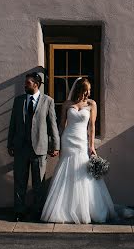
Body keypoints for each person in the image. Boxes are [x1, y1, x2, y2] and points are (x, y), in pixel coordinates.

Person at [41, 77, 121, 224]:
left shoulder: (91, 104)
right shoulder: (67, 104)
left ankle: (84, 210)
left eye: (89, 90)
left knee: (82, 174)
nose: (88, 93)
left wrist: (91, 146)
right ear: (79, 90)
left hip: (81, 142)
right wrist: (57, 145)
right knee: (66, 172)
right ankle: (64, 211)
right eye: (85, 91)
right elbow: (61, 126)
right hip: (67, 140)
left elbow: (92, 127)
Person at [7, 68, 60, 222]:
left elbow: (53, 125)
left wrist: (56, 145)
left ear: (36, 84)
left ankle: (38, 211)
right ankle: (19, 210)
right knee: (19, 182)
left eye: (28, 83)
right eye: (25, 82)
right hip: (20, 148)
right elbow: (13, 124)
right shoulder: (18, 101)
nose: (25, 85)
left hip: (40, 148)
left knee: (39, 183)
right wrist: (10, 143)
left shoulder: (48, 101)